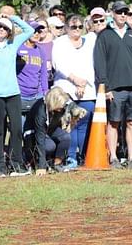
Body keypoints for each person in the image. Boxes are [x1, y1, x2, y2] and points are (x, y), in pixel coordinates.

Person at [93, 0, 132, 169]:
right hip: (114, 88)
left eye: (125, 12)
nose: (123, 15)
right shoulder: (104, 35)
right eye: (119, 12)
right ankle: (113, 158)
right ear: (112, 14)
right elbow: (100, 63)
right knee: (114, 122)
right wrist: (105, 87)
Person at [0, 14, 35, 176]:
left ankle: (16, 163)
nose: (2, 30)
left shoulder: (12, 44)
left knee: (17, 128)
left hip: (13, 93)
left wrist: (12, 18)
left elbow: (29, 30)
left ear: (9, 32)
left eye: (5, 28)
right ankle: (0, 166)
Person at [52, 14, 97, 169]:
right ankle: (70, 157)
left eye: (79, 27)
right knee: (70, 124)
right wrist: (75, 80)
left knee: (84, 123)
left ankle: (83, 155)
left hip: (87, 90)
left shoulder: (91, 41)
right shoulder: (59, 43)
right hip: (67, 90)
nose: (77, 30)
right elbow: (59, 64)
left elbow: (92, 65)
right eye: (73, 27)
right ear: (66, 28)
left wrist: (83, 84)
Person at [24, 87, 86, 175]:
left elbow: (71, 105)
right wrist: (41, 167)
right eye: (60, 106)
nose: (62, 108)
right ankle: (35, 162)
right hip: (33, 133)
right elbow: (40, 138)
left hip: (49, 129)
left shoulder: (60, 106)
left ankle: (56, 164)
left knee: (66, 137)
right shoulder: (40, 111)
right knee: (50, 146)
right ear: (53, 103)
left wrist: (76, 113)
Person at [16, 21, 50, 157]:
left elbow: (43, 74)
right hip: (19, 95)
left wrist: (45, 93)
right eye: (34, 31)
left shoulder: (40, 50)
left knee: (33, 130)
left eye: (39, 31)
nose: (37, 34)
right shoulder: (18, 48)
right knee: (19, 130)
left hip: (36, 96)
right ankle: (19, 158)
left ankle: (32, 157)